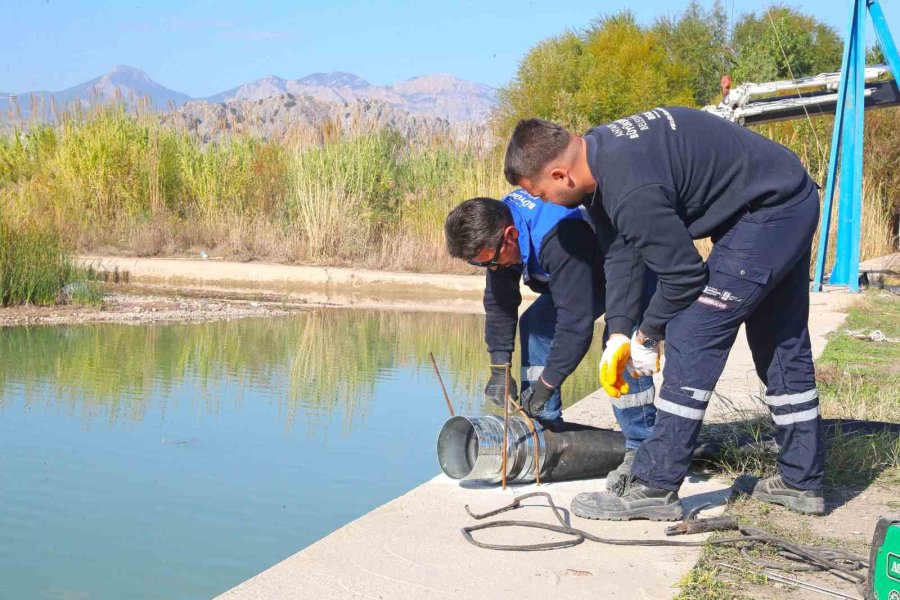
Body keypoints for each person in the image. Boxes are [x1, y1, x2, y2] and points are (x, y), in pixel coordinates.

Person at [503, 107, 825, 520]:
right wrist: (619, 332)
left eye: (541, 193)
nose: (543, 202)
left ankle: (655, 484)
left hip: (770, 211)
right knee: (779, 339)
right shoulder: (599, 155)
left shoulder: (630, 187)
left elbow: (685, 277)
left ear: (560, 176)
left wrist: (648, 335)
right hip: (781, 196)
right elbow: (621, 252)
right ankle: (802, 480)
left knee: (693, 331)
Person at [444, 189, 657, 486]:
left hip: (633, 268)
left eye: (491, 261)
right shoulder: (497, 225)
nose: (491, 269)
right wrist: (499, 368)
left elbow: (575, 326)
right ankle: (543, 426)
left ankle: (643, 446)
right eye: (481, 266)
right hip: (586, 271)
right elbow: (500, 303)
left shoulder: (557, 234)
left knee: (620, 347)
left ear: (510, 234)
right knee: (537, 323)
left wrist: (547, 383)